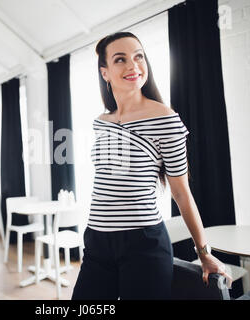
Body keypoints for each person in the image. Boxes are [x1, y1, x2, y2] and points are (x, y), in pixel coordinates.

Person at [71, 32, 233, 300]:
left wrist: (204, 254)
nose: (133, 66)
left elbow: (181, 193)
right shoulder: (101, 122)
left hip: (143, 246)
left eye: (138, 56)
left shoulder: (165, 119)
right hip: (96, 242)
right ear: (105, 73)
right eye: (120, 59)